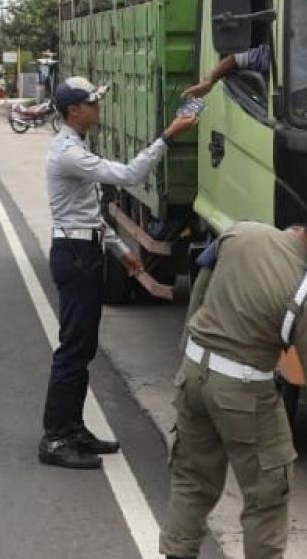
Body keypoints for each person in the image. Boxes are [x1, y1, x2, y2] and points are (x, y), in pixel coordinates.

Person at [160, 196, 307, 559]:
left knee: (192, 480)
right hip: (243, 392)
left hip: (193, 375)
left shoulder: (241, 233)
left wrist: (187, 353)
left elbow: (201, 291)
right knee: (267, 496)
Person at [39, 76, 199, 469]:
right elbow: (128, 175)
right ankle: (56, 438)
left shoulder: (77, 145)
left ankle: (73, 428)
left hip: (85, 249)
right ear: (75, 110)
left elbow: (88, 213)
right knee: (74, 347)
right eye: (93, 102)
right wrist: (168, 135)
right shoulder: (68, 153)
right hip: (75, 254)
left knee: (84, 345)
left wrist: (121, 251)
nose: (99, 107)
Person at [185, 0, 307, 113]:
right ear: (291, 26)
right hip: (303, 119)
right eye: (298, 24)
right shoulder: (278, 51)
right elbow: (235, 59)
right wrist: (209, 82)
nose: (303, 30)